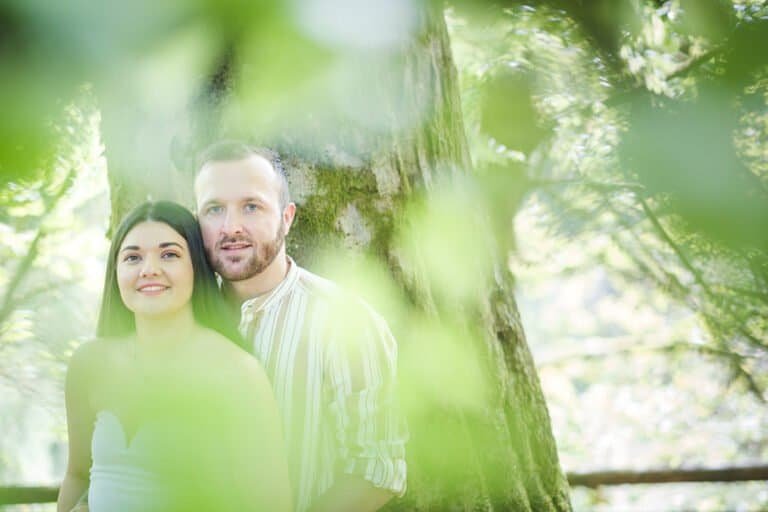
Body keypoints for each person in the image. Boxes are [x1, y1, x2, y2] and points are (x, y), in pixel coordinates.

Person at [194, 141, 408, 512]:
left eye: (251, 206)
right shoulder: (183, 319)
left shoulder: (345, 322)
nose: (231, 227)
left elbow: (376, 473)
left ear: (287, 217)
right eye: (214, 209)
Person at [57, 201, 292, 512]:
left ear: (195, 266)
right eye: (132, 257)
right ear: (115, 271)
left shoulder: (236, 372)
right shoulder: (90, 363)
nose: (149, 269)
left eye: (169, 254)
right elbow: (76, 476)